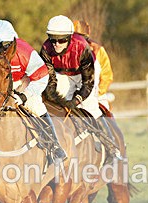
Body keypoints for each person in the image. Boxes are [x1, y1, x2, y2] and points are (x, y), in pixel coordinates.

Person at [0, 19, 67, 163]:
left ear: (11, 43)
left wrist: (24, 96)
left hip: (23, 82)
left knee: (36, 105)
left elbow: (42, 77)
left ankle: (53, 145)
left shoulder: (25, 52)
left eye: (3, 46)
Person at [39, 15, 122, 161]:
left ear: (70, 38)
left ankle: (111, 147)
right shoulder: (46, 49)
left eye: (62, 40)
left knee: (91, 107)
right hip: (62, 74)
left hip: (84, 76)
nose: (57, 44)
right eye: (53, 39)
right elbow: (51, 80)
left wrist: (77, 100)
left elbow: (88, 82)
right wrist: (55, 98)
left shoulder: (83, 48)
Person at [73, 19, 114, 111]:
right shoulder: (65, 49)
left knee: (106, 117)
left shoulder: (98, 50)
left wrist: (97, 92)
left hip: (95, 94)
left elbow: (107, 76)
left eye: (82, 37)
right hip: (72, 93)